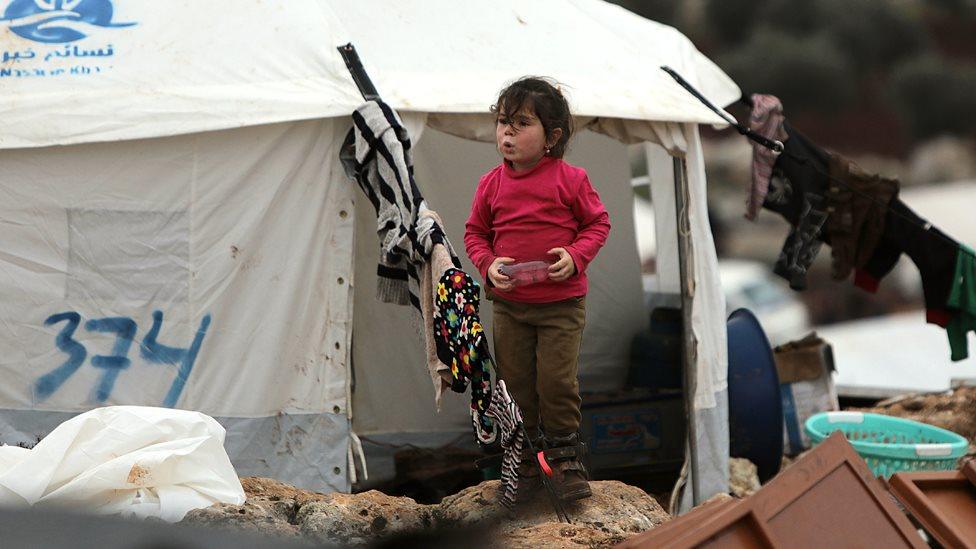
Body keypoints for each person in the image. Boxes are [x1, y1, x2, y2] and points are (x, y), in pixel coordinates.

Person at [464, 77, 611, 502]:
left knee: (557, 383)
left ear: (553, 136)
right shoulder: (490, 184)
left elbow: (598, 223)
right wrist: (488, 265)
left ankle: (565, 462)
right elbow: (475, 234)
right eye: (502, 121)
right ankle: (526, 463)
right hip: (509, 307)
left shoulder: (571, 179)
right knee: (514, 387)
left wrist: (576, 255)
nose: (506, 132)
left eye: (521, 123)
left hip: (561, 306)